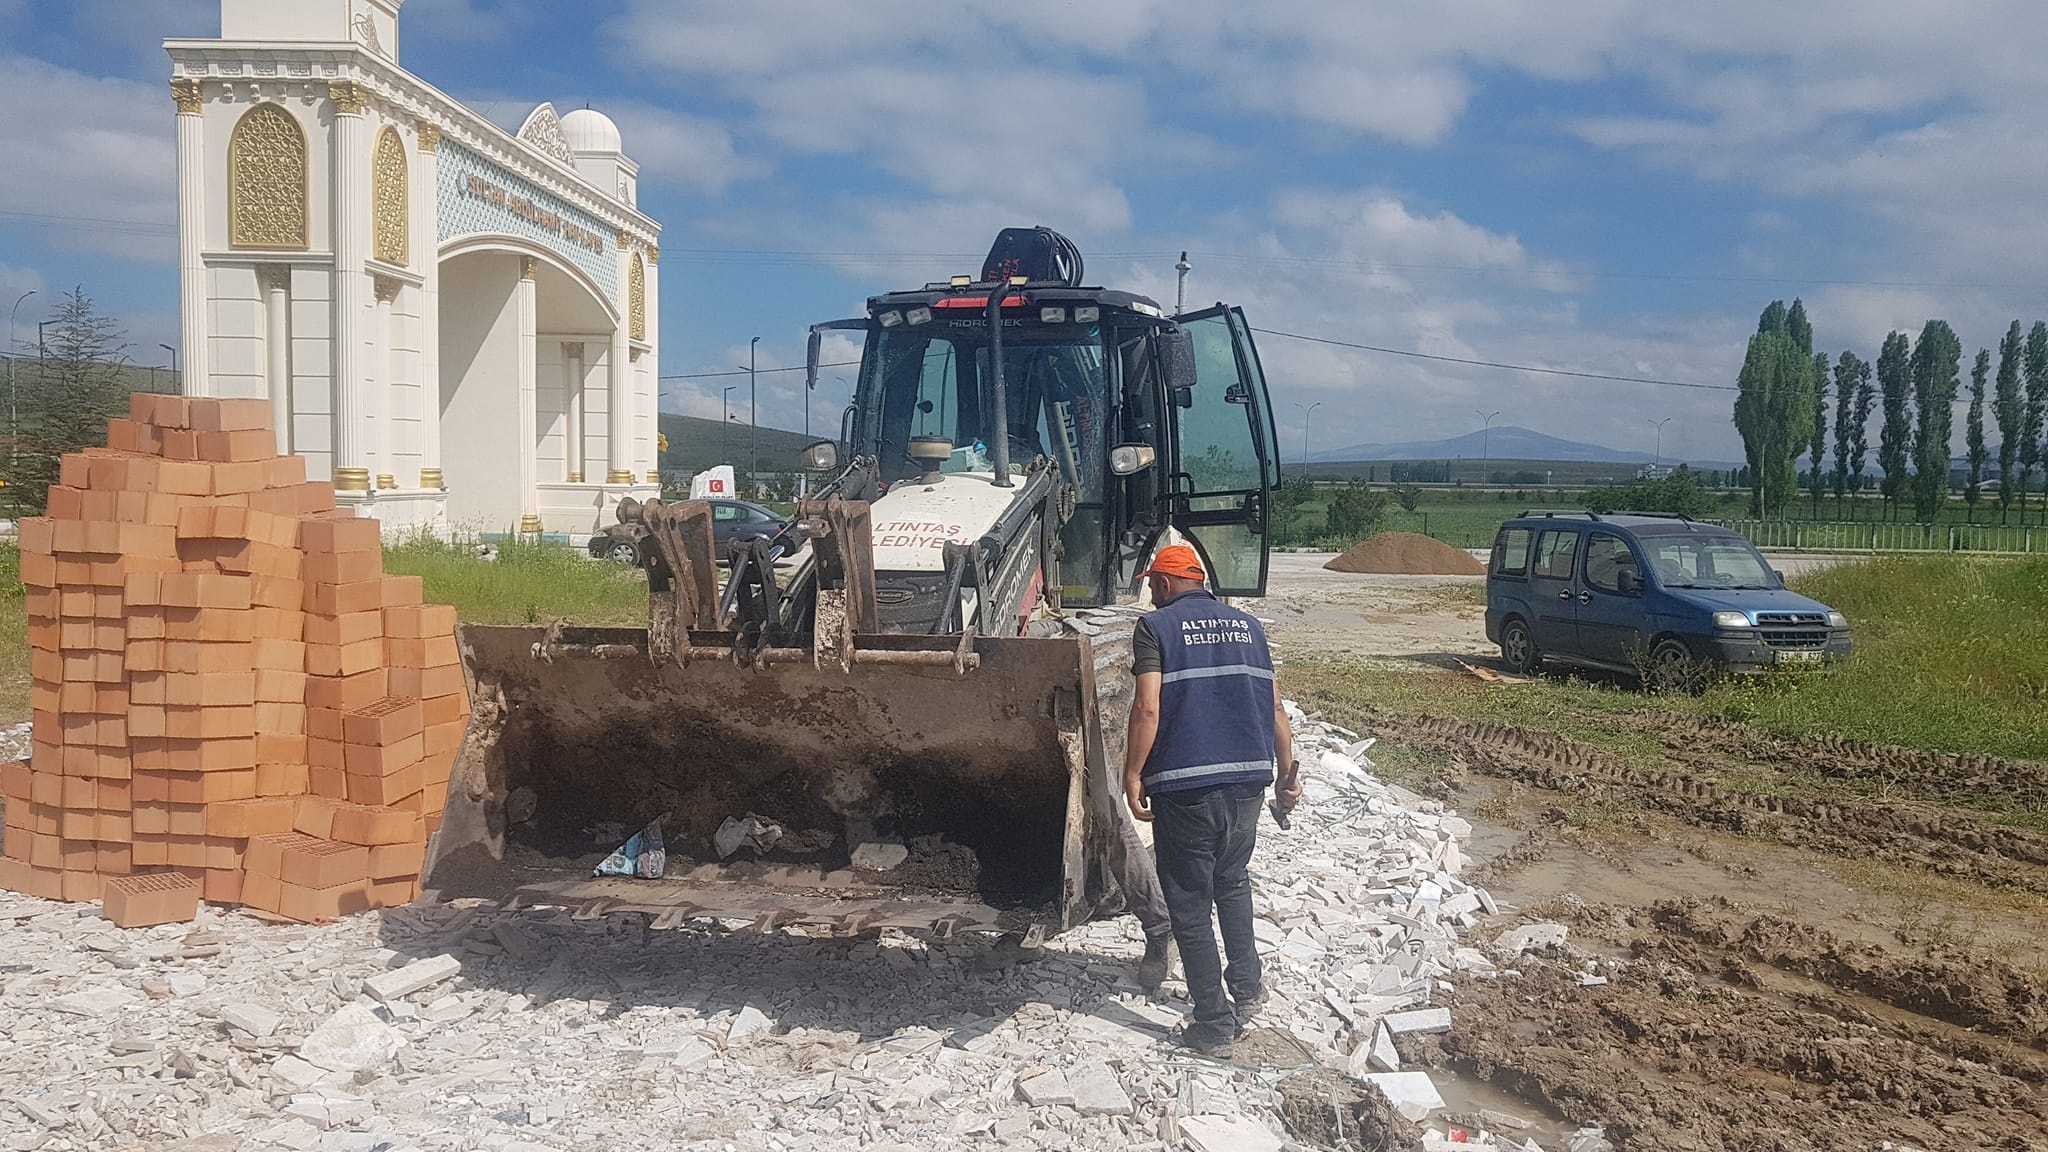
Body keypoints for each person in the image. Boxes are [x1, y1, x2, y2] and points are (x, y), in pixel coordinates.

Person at [1123, 544, 1300, 1056]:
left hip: (1185, 785)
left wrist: (1133, 772)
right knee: (1233, 883)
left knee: (1188, 903)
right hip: (1248, 781)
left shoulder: (1155, 629)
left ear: (1162, 584)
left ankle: (1213, 1022)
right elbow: (1275, 709)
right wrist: (1288, 775)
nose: (1151, 593)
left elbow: (1147, 708)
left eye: (1153, 584)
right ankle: (1247, 989)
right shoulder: (1250, 628)